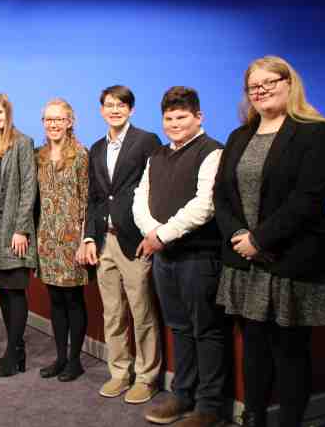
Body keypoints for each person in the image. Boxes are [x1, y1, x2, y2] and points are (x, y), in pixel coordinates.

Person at [214, 56, 325, 427]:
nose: (261, 90)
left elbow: (309, 198)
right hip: (245, 262)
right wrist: (239, 235)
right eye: (254, 85)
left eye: (270, 82)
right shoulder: (240, 136)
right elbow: (222, 196)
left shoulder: (314, 132)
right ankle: (253, 417)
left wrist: (260, 239)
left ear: (289, 83)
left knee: (290, 352)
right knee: (253, 347)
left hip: (290, 260)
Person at [133, 86, 225, 427]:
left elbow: (205, 205)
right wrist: (152, 232)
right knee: (179, 328)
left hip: (199, 258)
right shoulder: (156, 155)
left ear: (198, 117)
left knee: (206, 330)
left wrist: (161, 235)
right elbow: (140, 198)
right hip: (164, 257)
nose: (174, 124)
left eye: (182, 117)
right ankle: (183, 394)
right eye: (169, 118)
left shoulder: (212, 151)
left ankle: (209, 405)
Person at [79, 85, 162, 404]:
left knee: (141, 311)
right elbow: (95, 197)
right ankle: (119, 373)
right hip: (104, 242)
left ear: (131, 110)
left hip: (135, 240)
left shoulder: (146, 141)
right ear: (101, 110)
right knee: (112, 313)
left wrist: (152, 233)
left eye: (121, 105)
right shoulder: (97, 148)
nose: (114, 110)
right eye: (109, 105)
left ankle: (147, 377)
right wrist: (88, 236)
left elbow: (155, 189)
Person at [0, 93, 37, 378]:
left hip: (14, 231)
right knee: (1, 291)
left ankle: (12, 354)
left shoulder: (23, 143)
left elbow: (28, 189)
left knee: (15, 291)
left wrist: (21, 228)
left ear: (8, 113)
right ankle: (17, 349)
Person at [36, 98, 90, 382]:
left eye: (59, 119)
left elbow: (86, 199)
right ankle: (60, 357)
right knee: (54, 299)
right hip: (47, 239)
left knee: (72, 299)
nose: (53, 124)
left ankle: (75, 360)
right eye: (48, 119)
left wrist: (84, 238)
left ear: (70, 121)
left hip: (73, 239)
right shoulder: (38, 155)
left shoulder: (81, 155)